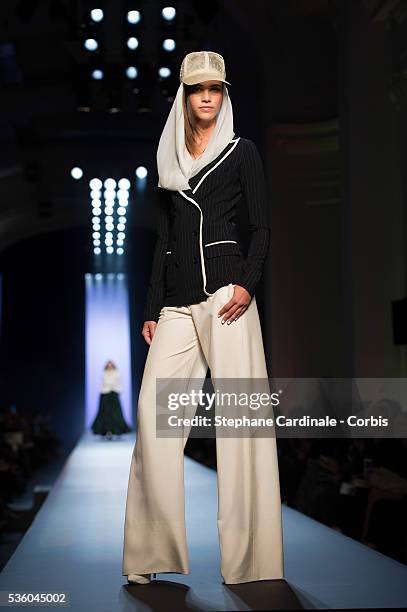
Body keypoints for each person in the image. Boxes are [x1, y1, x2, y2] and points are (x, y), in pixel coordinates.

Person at [122, 51, 284, 585]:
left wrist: (247, 281)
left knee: (241, 427)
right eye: (197, 88)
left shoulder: (242, 153)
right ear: (185, 96)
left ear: (224, 93)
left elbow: (261, 226)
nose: (207, 96)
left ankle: (253, 562)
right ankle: (149, 555)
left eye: (215, 87)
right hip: (177, 303)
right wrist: (151, 308)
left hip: (227, 297)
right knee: (152, 415)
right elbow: (163, 240)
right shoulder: (168, 157)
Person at [91, 360, 131, 439]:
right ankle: (106, 431)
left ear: (113, 366)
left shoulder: (117, 373)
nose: (110, 367)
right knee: (104, 413)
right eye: (108, 365)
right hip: (105, 394)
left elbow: (119, 383)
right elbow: (102, 384)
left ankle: (117, 431)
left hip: (114, 394)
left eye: (111, 365)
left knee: (115, 413)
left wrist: (116, 389)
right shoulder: (103, 373)